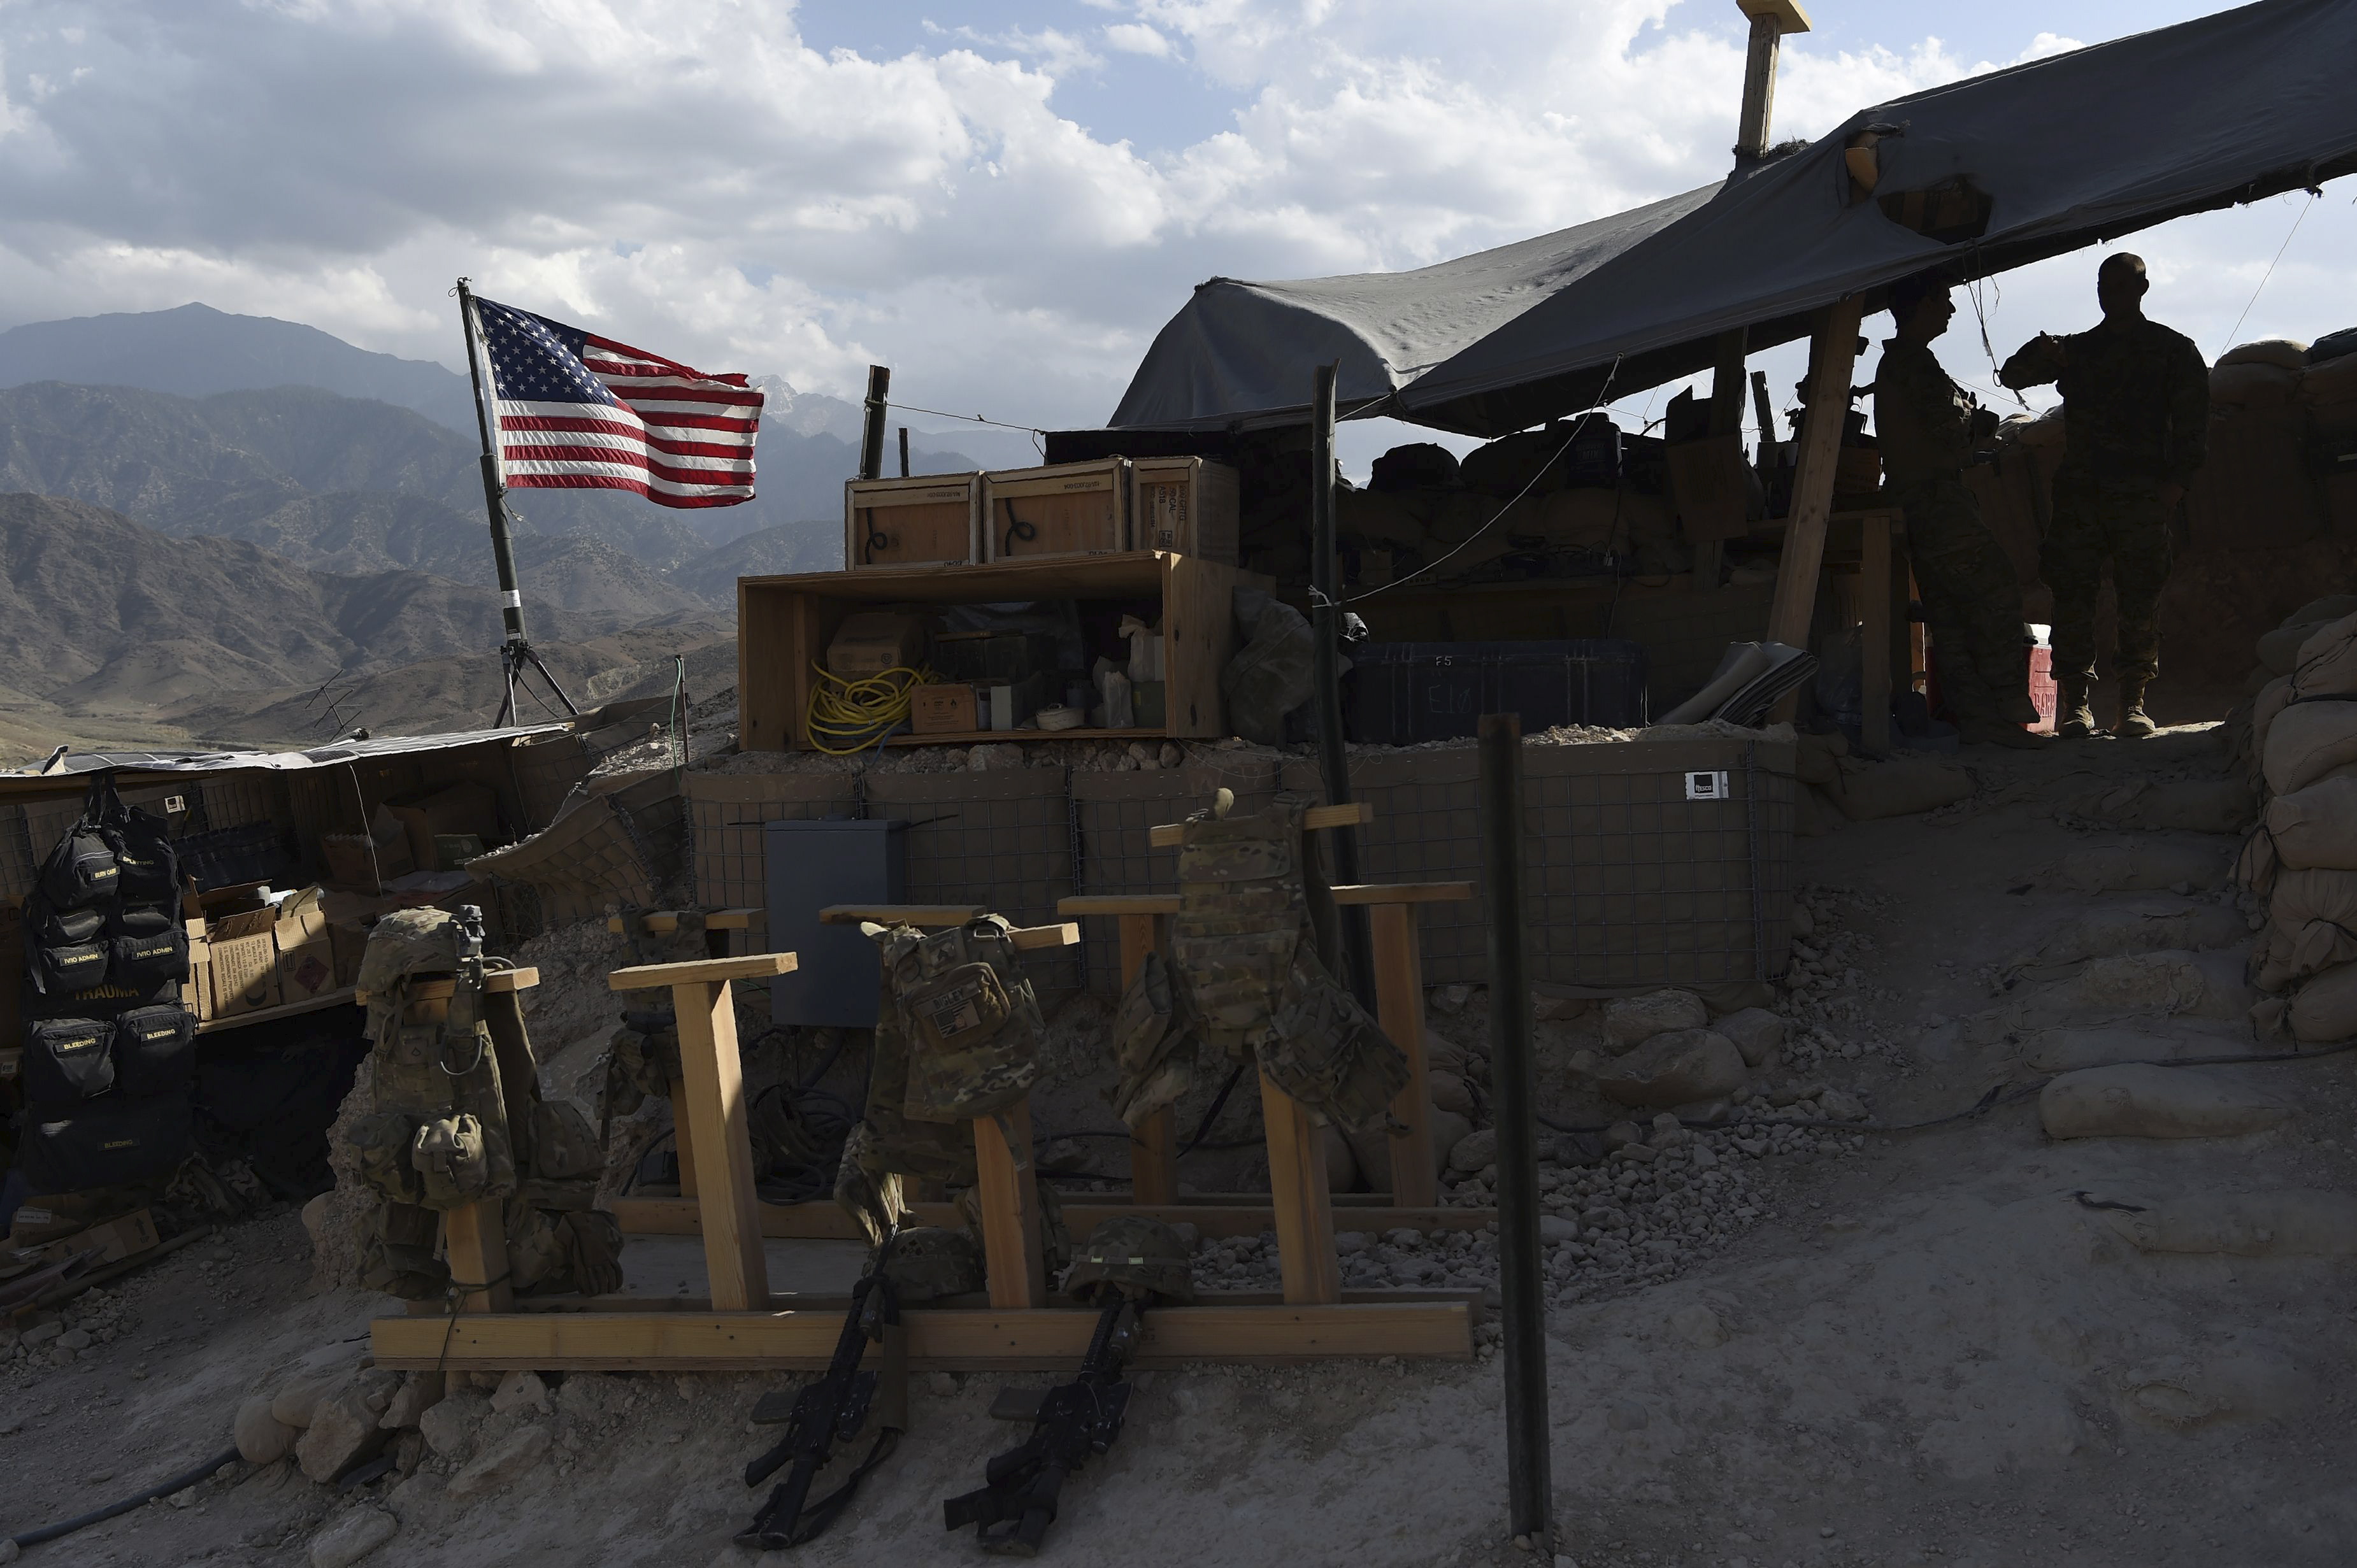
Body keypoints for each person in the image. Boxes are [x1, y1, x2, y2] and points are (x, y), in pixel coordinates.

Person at [2000, 253, 2210, 739]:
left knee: (2140, 598)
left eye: (2120, 287)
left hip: (2142, 493)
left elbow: (2194, 424)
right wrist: (2044, 352)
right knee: (2072, 596)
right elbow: (2012, 376)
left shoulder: (2172, 350)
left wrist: (2176, 485)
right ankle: (2076, 705)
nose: (2110, 296)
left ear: (2142, 289)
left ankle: (2133, 702)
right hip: (2082, 494)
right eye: (2103, 287)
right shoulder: (2079, 350)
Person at [1872, 273, 2046, 748]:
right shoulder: (1913, 363)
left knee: (1949, 615)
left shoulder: (1901, 362)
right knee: (1994, 591)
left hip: (1920, 501)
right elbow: (1953, 429)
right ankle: (2006, 704)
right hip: (1937, 502)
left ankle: (1977, 719)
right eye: (1944, 300)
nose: (1950, 310)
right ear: (1923, 304)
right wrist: (1980, 423)